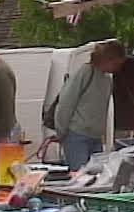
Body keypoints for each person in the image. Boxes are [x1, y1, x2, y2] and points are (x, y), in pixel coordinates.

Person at [54, 41, 126, 170]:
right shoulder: (85, 72)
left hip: (95, 137)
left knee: (95, 176)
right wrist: (61, 131)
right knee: (80, 176)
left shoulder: (107, 80)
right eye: (115, 64)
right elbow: (66, 102)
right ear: (106, 59)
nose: (117, 68)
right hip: (76, 135)